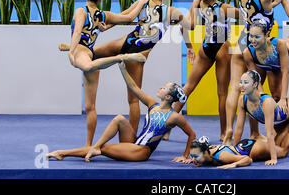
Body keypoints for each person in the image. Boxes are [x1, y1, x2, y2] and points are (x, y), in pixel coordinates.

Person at [59, 0, 192, 136]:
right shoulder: (172, 12)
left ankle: (73, 49)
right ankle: (133, 137)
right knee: (134, 99)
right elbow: (188, 26)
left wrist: (102, 27)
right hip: (138, 53)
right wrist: (189, 45)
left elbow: (122, 16)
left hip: (126, 41)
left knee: (91, 54)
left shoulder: (142, 2)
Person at [47, 60, 196, 163]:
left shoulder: (174, 117)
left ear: (168, 97)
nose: (160, 88)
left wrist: (184, 155)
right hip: (134, 142)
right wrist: (122, 68)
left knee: (103, 149)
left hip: (141, 151)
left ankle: (63, 153)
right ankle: (94, 147)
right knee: (119, 119)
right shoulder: (153, 105)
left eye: (164, 88)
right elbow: (134, 88)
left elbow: (192, 135)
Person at [65, 0, 149, 147]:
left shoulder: (80, 10)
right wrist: (140, 2)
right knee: (90, 107)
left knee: (88, 66)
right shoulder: (102, 15)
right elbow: (127, 17)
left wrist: (71, 51)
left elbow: (77, 32)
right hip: (89, 53)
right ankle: (88, 144)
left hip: (82, 54)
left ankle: (119, 57)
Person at [163, 0, 240, 141]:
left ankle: (166, 129)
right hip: (222, 49)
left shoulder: (199, 3)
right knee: (222, 94)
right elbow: (246, 14)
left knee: (187, 88)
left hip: (206, 47)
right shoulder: (224, 8)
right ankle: (224, 133)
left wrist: (189, 46)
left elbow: (186, 25)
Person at [223, 0, 275, 145]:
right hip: (256, 46)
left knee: (236, 86)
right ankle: (260, 132)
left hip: (240, 41)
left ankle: (228, 130)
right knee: (255, 88)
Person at [186, 111, 289, 169]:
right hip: (244, 144)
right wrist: (193, 158)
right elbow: (202, 155)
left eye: (196, 156)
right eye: (194, 156)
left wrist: (232, 165)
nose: (194, 159)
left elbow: (247, 160)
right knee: (285, 146)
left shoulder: (223, 157)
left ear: (205, 152)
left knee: (284, 151)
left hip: (252, 150)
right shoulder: (208, 151)